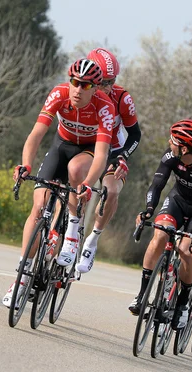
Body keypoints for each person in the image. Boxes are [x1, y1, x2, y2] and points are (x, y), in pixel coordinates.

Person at [3, 59, 115, 308]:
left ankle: (73, 228)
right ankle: (21, 278)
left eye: (85, 85)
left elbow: (101, 155)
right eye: (75, 82)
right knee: (39, 203)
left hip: (86, 151)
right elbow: (36, 134)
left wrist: (87, 183)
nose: (77, 89)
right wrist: (25, 166)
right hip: (61, 145)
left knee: (76, 171)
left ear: (95, 88)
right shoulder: (59, 93)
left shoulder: (105, 107)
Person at [129, 119, 192, 331]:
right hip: (177, 201)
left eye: (173, 140)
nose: (169, 142)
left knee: (185, 250)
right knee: (159, 236)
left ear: (185, 147)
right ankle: (142, 295)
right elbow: (157, 184)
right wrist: (149, 210)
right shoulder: (171, 155)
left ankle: (182, 303)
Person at [69, 48, 142, 273]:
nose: (108, 87)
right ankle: (70, 226)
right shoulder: (80, 93)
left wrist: (122, 156)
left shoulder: (121, 98)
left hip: (112, 151)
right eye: (104, 82)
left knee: (111, 190)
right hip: (86, 148)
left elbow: (135, 134)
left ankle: (92, 240)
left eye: (112, 81)